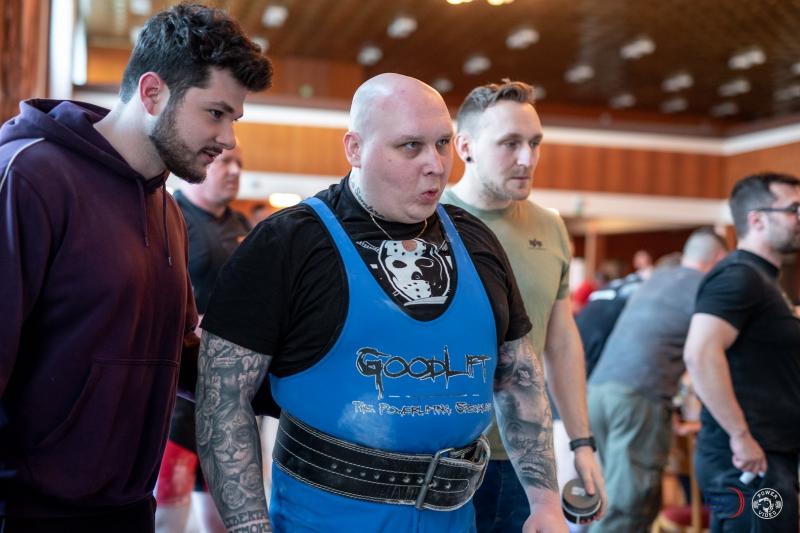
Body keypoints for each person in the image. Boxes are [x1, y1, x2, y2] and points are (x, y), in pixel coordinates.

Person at [195, 73, 566, 532]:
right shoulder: (287, 244)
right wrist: (249, 527)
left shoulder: (476, 241)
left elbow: (519, 378)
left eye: (442, 144)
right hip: (326, 520)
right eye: (410, 146)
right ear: (354, 148)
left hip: (455, 520)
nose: (436, 165)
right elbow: (222, 400)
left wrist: (545, 502)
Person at [0, 4, 272, 532]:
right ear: (152, 93)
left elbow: (179, 351)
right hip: (29, 511)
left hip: (128, 508)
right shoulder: (31, 176)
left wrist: (301, 381)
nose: (228, 139)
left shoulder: (166, 208)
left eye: (233, 120)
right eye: (215, 113)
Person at [441, 80, 606, 532]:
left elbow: (561, 341)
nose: (528, 159)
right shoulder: (431, 219)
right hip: (444, 456)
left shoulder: (550, 227)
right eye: (510, 143)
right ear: (466, 147)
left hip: (526, 460)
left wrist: (582, 443)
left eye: (534, 143)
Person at [587, 229, 727, 533]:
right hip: (637, 397)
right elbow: (708, 353)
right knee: (629, 504)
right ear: (718, 259)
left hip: (598, 391)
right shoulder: (706, 286)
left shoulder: (659, 278)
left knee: (610, 498)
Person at [684, 172, 800, 532]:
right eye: (794, 209)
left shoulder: (763, 279)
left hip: (764, 456)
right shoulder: (739, 276)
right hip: (746, 462)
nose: (799, 218)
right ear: (757, 220)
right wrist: (740, 436)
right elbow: (700, 354)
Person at [155, 145, 251, 533]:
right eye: (226, 161)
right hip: (179, 399)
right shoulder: (170, 215)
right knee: (169, 516)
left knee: (223, 518)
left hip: (228, 396)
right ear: (206, 162)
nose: (235, 171)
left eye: (240, 163)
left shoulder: (240, 224)